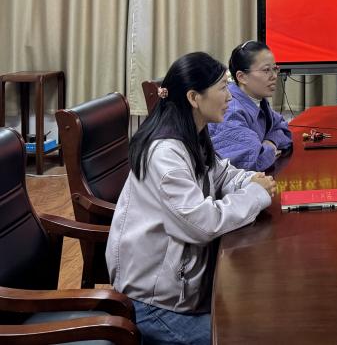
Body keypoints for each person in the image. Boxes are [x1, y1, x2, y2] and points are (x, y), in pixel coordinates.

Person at [107, 52, 277, 345]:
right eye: (222, 88)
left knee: (261, 313)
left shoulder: (192, 134)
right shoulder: (165, 153)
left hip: (185, 290)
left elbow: (222, 174)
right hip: (154, 305)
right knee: (245, 335)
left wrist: (250, 181)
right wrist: (255, 195)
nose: (230, 97)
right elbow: (201, 223)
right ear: (194, 98)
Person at [208, 40, 293, 171]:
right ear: (242, 77)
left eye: (275, 69)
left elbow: (282, 127)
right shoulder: (231, 110)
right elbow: (254, 161)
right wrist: (271, 147)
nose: (274, 76)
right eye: (266, 70)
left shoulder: (257, 100)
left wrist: (270, 142)